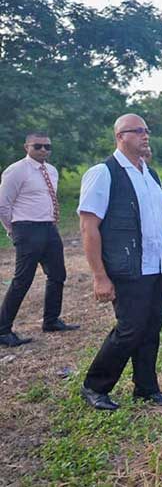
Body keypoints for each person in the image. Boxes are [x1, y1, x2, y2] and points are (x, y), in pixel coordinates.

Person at [77, 114, 162, 411]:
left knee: (151, 329)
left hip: (156, 266)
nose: (145, 136)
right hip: (127, 267)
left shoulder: (150, 173)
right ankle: (94, 386)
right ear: (120, 136)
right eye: (138, 131)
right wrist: (100, 276)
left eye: (147, 131)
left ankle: (147, 388)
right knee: (130, 329)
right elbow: (89, 227)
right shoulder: (103, 172)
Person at [0, 133, 79, 347]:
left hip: (48, 227)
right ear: (27, 146)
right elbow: (3, 204)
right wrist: (13, 230)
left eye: (47, 146)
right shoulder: (16, 170)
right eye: (38, 146)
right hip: (26, 228)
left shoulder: (51, 171)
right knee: (22, 280)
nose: (43, 150)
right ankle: (3, 329)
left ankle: (51, 320)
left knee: (57, 275)